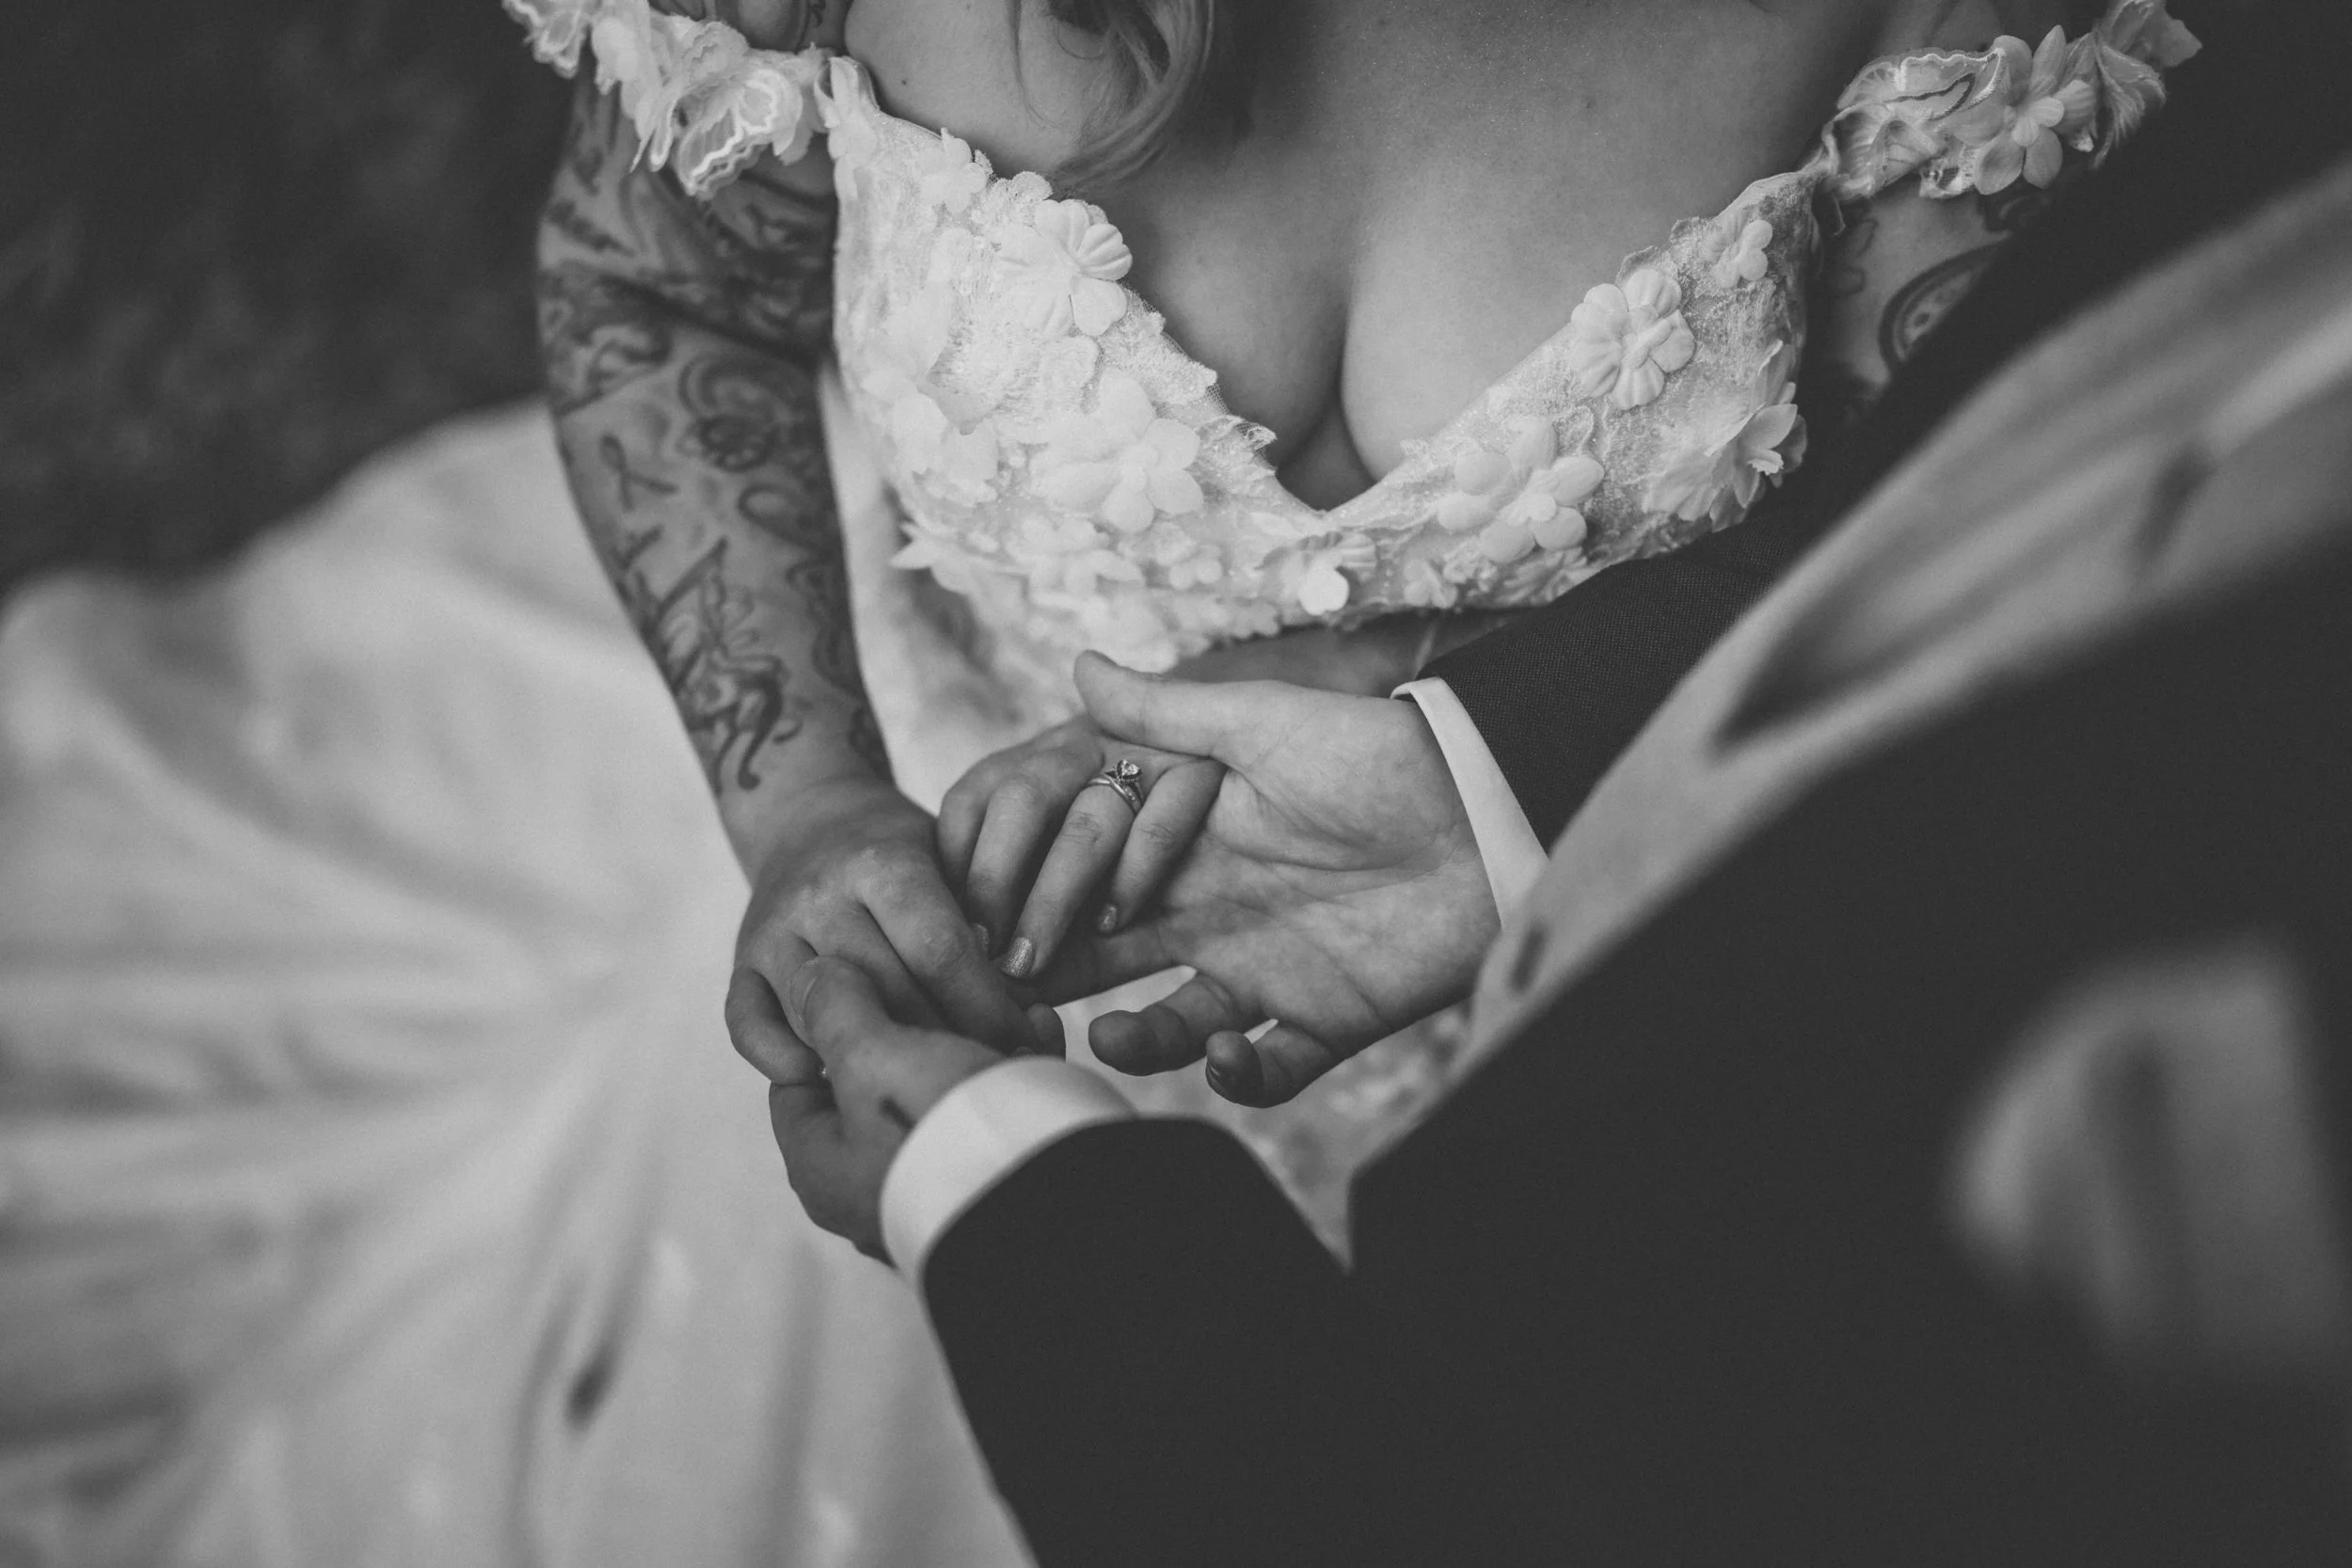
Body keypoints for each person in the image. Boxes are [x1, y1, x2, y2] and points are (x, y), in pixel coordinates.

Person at [739, 1, 2352, 1561]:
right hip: (994, 839)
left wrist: (999, 1186)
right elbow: (656, 292)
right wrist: (806, 795)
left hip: (1601, 1044)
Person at [516, 0, 2205, 1228]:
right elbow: (660, 289)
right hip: (967, 879)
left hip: (1635, 944)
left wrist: (1460, 707)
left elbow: (1966, 529)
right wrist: (809, 804)